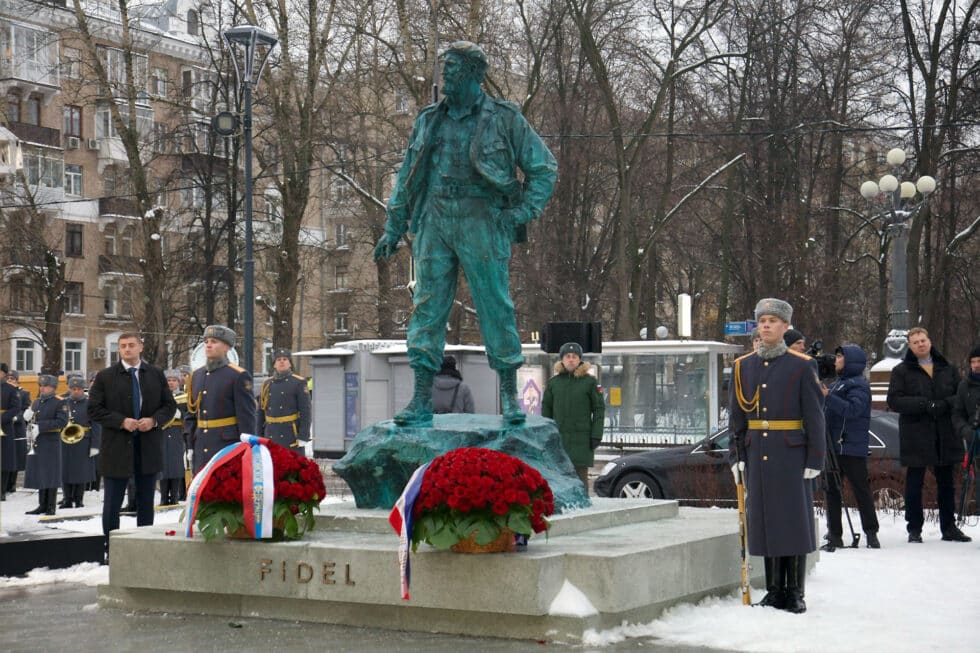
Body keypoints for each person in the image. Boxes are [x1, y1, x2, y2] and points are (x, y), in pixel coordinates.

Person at [374, 41, 557, 427]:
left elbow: (544, 169)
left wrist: (523, 211)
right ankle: (421, 398)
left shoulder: (504, 118)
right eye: (444, 68)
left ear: (475, 73)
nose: (446, 76)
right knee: (427, 308)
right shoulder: (428, 119)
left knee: (494, 305)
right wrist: (394, 227)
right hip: (435, 216)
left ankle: (509, 396)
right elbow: (407, 177)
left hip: (482, 217)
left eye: (454, 69)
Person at [729, 298, 825, 614]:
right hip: (759, 454)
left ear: (785, 327)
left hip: (791, 455)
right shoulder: (743, 366)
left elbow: (814, 416)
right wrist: (736, 455)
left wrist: (815, 459)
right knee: (767, 521)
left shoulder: (801, 364)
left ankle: (795, 592)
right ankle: (774, 590)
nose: (766, 325)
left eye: (773, 320)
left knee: (793, 522)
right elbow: (737, 420)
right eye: (762, 320)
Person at [88, 332, 177, 556]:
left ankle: (145, 546)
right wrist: (121, 421)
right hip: (116, 447)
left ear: (140, 348)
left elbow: (169, 406)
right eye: (123, 346)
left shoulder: (155, 375)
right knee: (113, 502)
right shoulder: (105, 376)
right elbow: (94, 410)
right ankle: (111, 547)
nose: (127, 349)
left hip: (147, 446)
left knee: (146, 502)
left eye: (131, 345)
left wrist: (154, 420)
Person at [886, 327, 970, 543]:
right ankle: (914, 528)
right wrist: (924, 404)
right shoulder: (901, 371)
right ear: (910, 347)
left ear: (929, 341)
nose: (920, 344)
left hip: (945, 433)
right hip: (916, 434)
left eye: (923, 340)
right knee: (914, 483)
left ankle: (948, 528)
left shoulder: (948, 369)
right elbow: (894, 401)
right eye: (915, 342)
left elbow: (961, 397)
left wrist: (943, 405)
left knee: (946, 483)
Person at [820, 345, 880, 549]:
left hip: (851, 448)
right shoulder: (838, 384)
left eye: (839, 357)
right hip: (833, 447)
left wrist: (828, 397)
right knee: (832, 491)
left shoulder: (859, 385)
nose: (835, 360)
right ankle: (834, 534)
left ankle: (871, 532)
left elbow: (853, 410)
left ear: (850, 361)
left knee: (861, 490)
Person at [184, 325, 255, 473]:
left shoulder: (237, 375)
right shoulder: (196, 376)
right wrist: (189, 444)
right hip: (200, 445)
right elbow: (191, 414)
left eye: (214, 341)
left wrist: (247, 447)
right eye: (206, 341)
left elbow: (246, 417)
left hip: (226, 446)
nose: (208, 345)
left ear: (227, 347)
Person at [542, 342, 605, 491]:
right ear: (562, 360)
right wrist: (547, 433)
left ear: (579, 360)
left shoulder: (590, 382)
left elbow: (599, 409)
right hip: (559, 439)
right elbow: (546, 410)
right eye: (567, 356)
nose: (571, 359)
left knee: (580, 482)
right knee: (558, 480)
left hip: (581, 440)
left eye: (574, 357)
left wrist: (596, 434)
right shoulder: (554, 384)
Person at [24, 374, 69, 515]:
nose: (42, 388)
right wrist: (28, 421)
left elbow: (62, 422)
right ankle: (42, 505)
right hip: (38, 442)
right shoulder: (37, 401)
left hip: (51, 442)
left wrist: (41, 427)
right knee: (40, 473)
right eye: (41, 385)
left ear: (53, 387)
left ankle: (50, 506)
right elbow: (32, 419)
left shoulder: (60, 402)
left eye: (45, 386)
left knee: (51, 474)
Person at [257, 349, 311, 452]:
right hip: (270, 434)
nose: (282, 361)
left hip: (290, 434)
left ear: (290, 363)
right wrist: (258, 435)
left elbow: (305, 411)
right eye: (278, 360)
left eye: (285, 359)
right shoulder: (267, 383)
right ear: (274, 365)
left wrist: (303, 435)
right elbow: (260, 412)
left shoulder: (298, 382)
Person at [59, 376, 99, 509]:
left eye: (79, 389)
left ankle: (79, 498)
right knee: (66, 470)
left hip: (84, 441)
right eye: (73, 389)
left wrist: (95, 445)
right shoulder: (64, 403)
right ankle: (67, 499)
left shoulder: (90, 404)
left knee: (81, 471)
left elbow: (96, 425)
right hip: (65, 441)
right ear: (69, 389)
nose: (76, 391)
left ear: (83, 389)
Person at [158, 370, 186, 505]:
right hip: (163, 433)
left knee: (176, 465)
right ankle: (163, 497)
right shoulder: (159, 397)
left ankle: (175, 496)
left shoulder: (183, 397)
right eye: (168, 380)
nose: (171, 383)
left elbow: (191, 415)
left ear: (178, 382)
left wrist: (181, 415)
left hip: (177, 433)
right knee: (163, 465)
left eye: (174, 380)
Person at [952, 344, 980, 459]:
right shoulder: (964, 386)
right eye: (973, 362)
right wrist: (966, 431)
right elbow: (957, 414)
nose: (976, 365)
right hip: (974, 440)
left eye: (979, 361)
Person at [6, 370, 31, 493]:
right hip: (4, 427)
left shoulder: (23, 393)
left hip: (16, 428)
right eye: (8, 378)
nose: (10, 380)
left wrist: (17, 417)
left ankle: (11, 484)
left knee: (14, 457)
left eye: (12, 378)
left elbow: (26, 410)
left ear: (17, 380)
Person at [1, 363, 22, 500]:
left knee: (4, 460)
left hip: (4, 427)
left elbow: (16, 408)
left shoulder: (10, 389)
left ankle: (2, 490)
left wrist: (2, 418)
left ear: (4, 373)